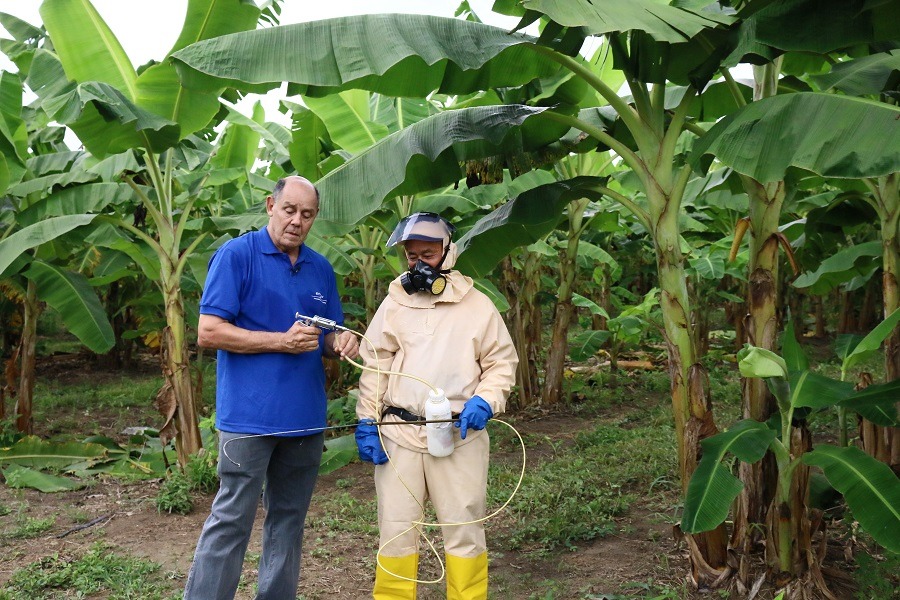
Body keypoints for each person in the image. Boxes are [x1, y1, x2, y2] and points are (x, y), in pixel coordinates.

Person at [184, 176, 359, 600]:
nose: (297, 221)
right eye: (289, 210)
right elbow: (209, 332)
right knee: (231, 521)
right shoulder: (237, 255)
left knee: (288, 523)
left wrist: (343, 342)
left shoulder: (320, 268)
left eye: (307, 215)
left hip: (304, 421)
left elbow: (327, 338)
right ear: (270, 205)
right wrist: (280, 341)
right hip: (248, 418)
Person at [355, 212, 518, 599]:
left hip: (459, 433)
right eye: (412, 256)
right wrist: (367, 420)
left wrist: (485, 400)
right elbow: (375, 364)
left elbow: (501, 363)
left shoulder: (476, 306)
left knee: (463, 530)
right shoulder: (394, 303)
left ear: (449, 252)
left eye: (428, 254)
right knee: (396, 532)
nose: (419, 264)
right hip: (400, 434)